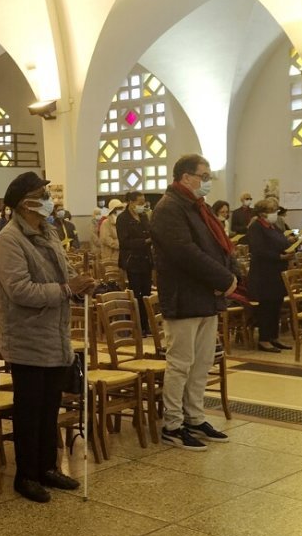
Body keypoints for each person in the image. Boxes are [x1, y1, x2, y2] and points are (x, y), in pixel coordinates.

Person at [0, 172, 94, 503]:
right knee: (30, 409)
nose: (49, 197)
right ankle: (26, 475)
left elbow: (64, 275)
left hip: (54, 334)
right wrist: (66, 289)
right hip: (27, 337)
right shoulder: (9, 240)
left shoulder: (46, 231)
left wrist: (79, 286)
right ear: (25, 202)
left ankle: (48, 467)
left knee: (50, 406)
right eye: (43, 193)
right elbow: (20, 291)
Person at [150, 154, 235, 450]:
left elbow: (215, 246)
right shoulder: (168, 208)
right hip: (183, 296)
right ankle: (173, 424)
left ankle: (194, 417)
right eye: (204, 175)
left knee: (201, 363)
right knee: (180, 364)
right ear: (186, 177)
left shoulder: (198, 207)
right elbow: (184, 252)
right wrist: (223, 279)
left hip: (205, 296)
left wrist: (230, 272)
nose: (208, 181)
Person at [246, 198, 293, 353]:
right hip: (264, 273)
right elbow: (258, 250)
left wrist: (290, 244)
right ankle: (264, 339)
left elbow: (281, 242)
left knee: (276, 305)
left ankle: (274, 337)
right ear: (262, 213)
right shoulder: (256, 227)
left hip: (277, 272)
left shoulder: (273, 226)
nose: (275, 213)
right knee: (266, 307)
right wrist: (279, 257)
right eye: (272, 210)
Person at [116, 191, 153, 331]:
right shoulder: (123, 219)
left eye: (144, 203)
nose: (142, 205)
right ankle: (138, 325)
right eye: (139, 203)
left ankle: (146, 324)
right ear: (131, 202)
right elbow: (124, 242)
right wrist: (144, 241)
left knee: (146, 293)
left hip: (146, 260)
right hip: (132, 261)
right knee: (136, 293)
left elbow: (149, 231)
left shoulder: (143, 216)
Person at [98, 199, 124, 269]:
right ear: (114, 210)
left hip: (122, 255)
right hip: (110, 256)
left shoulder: (122, 222)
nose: (121, 210)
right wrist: (121, 244)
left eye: (121, 208)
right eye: (119, 209)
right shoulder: (106, 223)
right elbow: (106, 239)